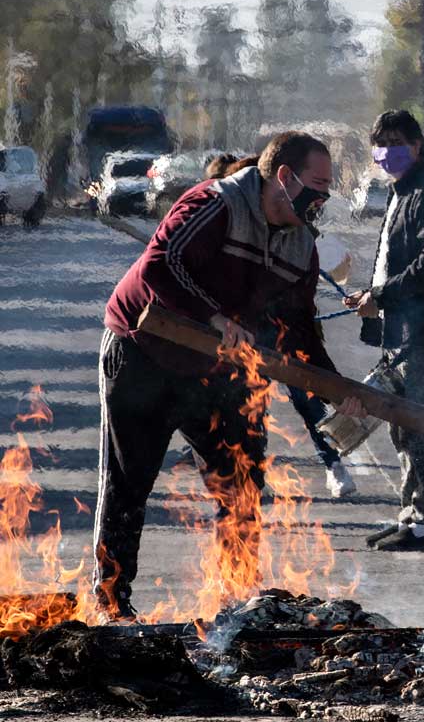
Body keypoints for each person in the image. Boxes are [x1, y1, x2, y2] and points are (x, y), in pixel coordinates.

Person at [97, 131, 362, 621]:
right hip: (144, 353)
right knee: (129, 482)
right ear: (284, 178)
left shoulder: (304, 244)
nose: (324, 197)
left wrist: (334, 389)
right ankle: (112, 602)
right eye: (318, 185)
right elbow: (161, 265)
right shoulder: (216, 203)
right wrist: (215, 316)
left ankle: (237, 602)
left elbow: (298, 328)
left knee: (242, 484)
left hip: (223, 370)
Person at [174, 153, 358, 499]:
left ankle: (331, 464)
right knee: (236, 409)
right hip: (239, 344)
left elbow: (336, 265)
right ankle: (239, 474)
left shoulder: (296, 227)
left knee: (306, 403)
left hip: (290, 336)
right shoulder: (220, 222)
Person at [343, 110, 424, 551]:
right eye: (380, 143)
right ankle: (411, 518)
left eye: (396, 142)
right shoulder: (401, 192)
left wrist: (385, 296)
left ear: (416, 146)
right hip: (401, 333)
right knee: (403, 431)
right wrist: (371, 296)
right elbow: (395, 263)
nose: (386, 152)